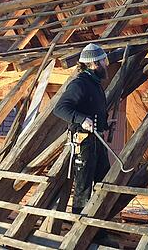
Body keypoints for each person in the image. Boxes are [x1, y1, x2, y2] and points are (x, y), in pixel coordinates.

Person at [53, 43, 111, 215]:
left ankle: (97, 229)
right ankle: (78, 228)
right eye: (103, 61)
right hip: (85, 142)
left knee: (102, 182)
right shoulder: (80, 84)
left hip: (97, 140)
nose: (106, 64)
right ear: (94, 64)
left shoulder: (94, 83)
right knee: (83, 187)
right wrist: (81, 119)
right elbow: (60, 109)